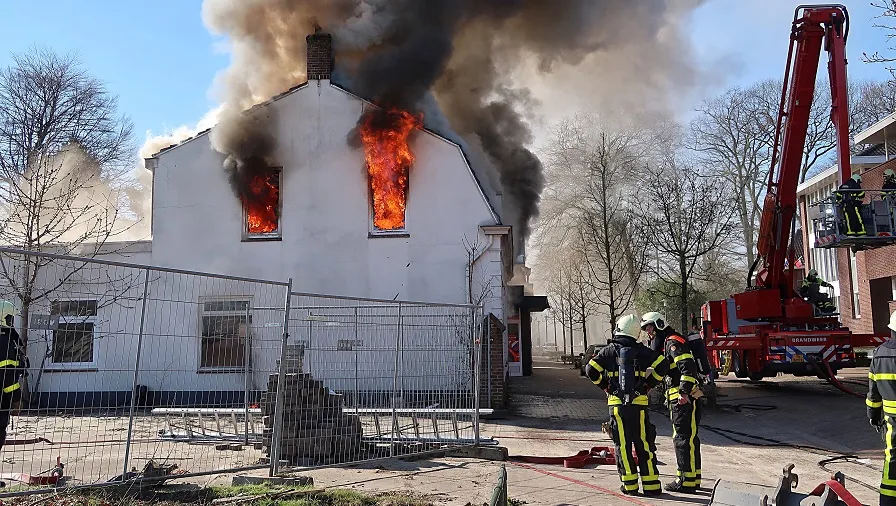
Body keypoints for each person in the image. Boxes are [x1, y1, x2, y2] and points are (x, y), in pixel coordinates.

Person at [585, 314, 669, 496]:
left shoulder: (609, 351)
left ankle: (630, 485)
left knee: (623, 446)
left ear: (619, 329)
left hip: (617, 406)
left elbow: (590, 369)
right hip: (639, 405)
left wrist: (606, 387)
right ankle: (651, 485)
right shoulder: (642, 350)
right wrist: (647, 386)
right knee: (644, 444)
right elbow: (663, 365)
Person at [640, 311, 703, 493]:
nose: (649, 333)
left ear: (659, 324)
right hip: (686, 396)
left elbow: (687, 368)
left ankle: (684, 481)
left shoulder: (672, 342)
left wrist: (683, 392)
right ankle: (692, 478)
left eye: (649, 328)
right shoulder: (669, 342)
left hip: (683, 398)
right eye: (646, 329)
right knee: (689, 438)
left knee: (681, 438)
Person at [867, 309, 896, 505]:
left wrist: (873, 415)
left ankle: (887, 501)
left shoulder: (879, 354)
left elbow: (873, 393)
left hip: (892, 424)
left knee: (892, 461)